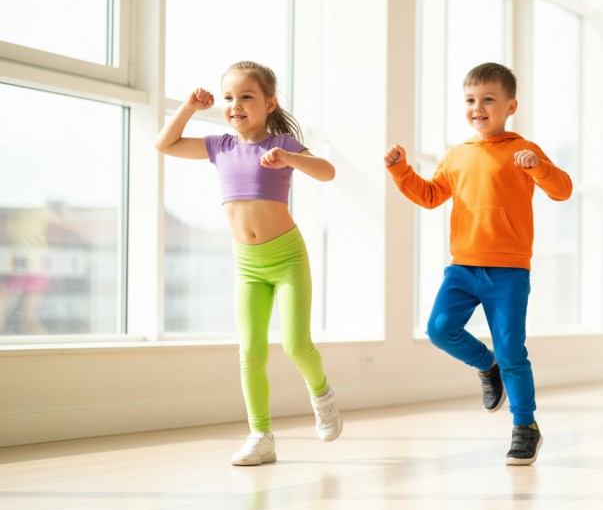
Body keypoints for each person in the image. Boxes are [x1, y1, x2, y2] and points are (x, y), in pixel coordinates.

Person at [155, 61, 342, 466]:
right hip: (247, 265)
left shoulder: (283, 145)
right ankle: (261, 436)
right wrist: (188, 107)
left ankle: (322, 394)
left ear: (269, 103)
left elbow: (327, 172)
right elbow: (165, 144)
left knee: (296, 344)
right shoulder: (220, 146)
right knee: (250, 352)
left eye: (246, 97)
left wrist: (289, 160)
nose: (235, 105)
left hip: (287, 256)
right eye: (228, 98)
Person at [384, 62, 571, 466]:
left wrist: (537, 167)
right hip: (463, 267)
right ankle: (486, 366)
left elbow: (562, 190)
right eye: (471, 100)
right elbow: (431, 195)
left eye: (488, 99)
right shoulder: (457, 155)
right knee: (439, 328)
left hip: (508, 272)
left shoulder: (524, 150)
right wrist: (401, 171)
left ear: (510, 106)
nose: (478, 107)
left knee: (512, 350)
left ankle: (526, 426)